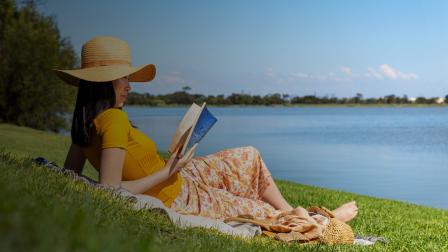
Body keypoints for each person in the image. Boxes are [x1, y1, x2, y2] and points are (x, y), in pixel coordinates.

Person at [55, 36, 358, 222]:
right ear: (103, 82)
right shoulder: (114, 120)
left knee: (248, 158)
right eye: (123, 80)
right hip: (179, 192)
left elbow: (71, 174)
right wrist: (169, 170)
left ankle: (295, 209)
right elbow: (110, 191)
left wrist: (174, 166)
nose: (129, 87)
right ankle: (324, 222)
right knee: (258, 211)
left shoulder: (85, 124)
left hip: (179, 176)